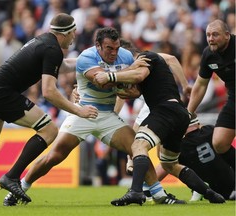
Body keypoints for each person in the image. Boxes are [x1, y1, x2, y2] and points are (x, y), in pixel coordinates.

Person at [3, 27, 184, 206]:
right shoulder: (86, 57)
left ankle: (159, 194)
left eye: (117, 48)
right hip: (83, 112)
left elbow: (134, 91)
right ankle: (20, 188)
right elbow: (101, 81)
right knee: (55, 155)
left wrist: (126, 84)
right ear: (98, 46)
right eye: (109, 49)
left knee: (137, 149)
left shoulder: (126, 57)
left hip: (107, 115)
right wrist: (125, 77)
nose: (114, 53)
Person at [0, 13, 98, 207]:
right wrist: (79, 111)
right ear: (65, 32)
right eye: (73, 32)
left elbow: (63, 66)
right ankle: (12, 176)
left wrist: (92, 60)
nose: (74, 36)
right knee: (49, 130)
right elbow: (49, 92)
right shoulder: (52, 48)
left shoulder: (44, 42)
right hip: (1, 94)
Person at [94, 48, 226, 205]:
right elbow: (133, 92)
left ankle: (136, 192)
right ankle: (209, 193)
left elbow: (139, 75)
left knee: (137, 145)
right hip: (179, 113)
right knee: (169, 164)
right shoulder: (146, 66)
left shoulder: (146, 57)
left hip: (165, 110)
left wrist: (109, 76)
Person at [129, 113, 235, 201]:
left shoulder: (180, 146)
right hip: (231, 185)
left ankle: (198, 189)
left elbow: (164, 167)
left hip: (212, 190)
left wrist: (147, 184)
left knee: (171, 164)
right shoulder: (209, 130)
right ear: (198, 123)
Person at [187, 19, 235, 171]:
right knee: (219, 143)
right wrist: (188, 113)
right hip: (234, 99)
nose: (210, 39)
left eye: (215, 34)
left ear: (227, 35)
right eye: (208, 35)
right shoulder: (208, 55)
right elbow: (201, 84)